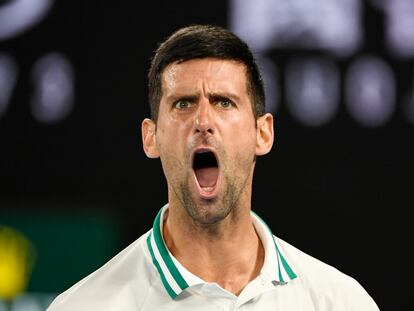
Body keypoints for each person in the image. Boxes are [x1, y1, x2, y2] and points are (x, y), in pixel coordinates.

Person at [47, 24, 379, 310]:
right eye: (183, 103)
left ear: (262, 133)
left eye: (223, 102)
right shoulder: (84, 305)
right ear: (151, 137)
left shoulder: (340, 302)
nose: (203, 121)